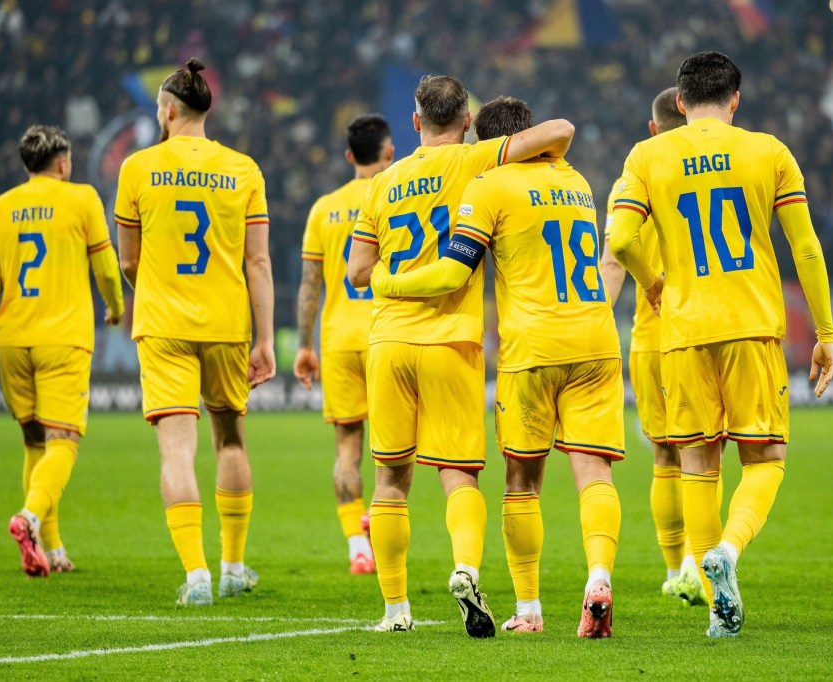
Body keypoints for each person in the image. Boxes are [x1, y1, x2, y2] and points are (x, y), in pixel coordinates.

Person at [370, 96, 623, 638]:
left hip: (530, 348)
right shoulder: (578, 183)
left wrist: (387, 283)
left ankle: (529, 609)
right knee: (594, 472)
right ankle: (599, 575)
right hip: (599, 340)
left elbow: (452, 273)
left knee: (520, 483)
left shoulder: (490, 185)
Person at [610, 51, 833, 638]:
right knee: (765, 459)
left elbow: (620, 238)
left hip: (682, 332)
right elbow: (806, 250)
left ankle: (718, 612)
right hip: (752, 325)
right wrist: (826, 333)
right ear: (735, 99)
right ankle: (730, 552)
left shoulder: (647, 155)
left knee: (696, 465)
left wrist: (653, 283)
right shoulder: (769, 152)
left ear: (679, 102)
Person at [115, 59, 276, 606]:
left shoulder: (137, 168)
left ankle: (198, 576)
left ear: (166, 109)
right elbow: (258, 263)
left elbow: (129, 260)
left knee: (176, 453)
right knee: (230, 439)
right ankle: (233, 567)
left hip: (163, 325)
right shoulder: (244, 169)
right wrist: (265, 339)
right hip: (228, 323)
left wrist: (157, 284)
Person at [0, 124, 125, 576]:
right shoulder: (82, 199)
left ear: (27, 165)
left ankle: (52, 550)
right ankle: (29, 519)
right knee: (65, 441)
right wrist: (116, 307)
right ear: (63, 163)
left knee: (34, 441)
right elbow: (107, 267)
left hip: (12, 340)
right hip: (63, 340)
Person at [600, 87, 710, 607]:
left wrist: (598, 317)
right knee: (704, 453)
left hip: (650, 336)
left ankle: (675, 568)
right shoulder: (718, 170)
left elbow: (615, 258)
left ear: (652, 128)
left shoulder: (634, 177)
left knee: (664, 457)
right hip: (708, 329)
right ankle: (698, 562)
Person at [293, 114, 395, 575]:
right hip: (385, 333)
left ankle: (357, 545)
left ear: (350, 156)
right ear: (388, 153)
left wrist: (304, 345)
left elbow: (310, 284)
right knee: (395, 448)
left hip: (336, 341)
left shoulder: (323, 208)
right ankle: (379, 513)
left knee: (346, 451)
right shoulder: (395, 197)